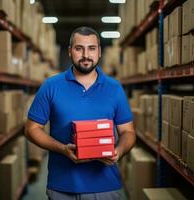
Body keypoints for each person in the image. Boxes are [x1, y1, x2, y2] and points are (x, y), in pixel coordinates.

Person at [25, 26, 136, 200]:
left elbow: (128, 132)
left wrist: (118, 152)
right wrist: (62, 149)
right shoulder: (51, 86)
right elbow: (31, 129)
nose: (86, 55)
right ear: (70, 52)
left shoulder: (114, 88)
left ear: (99, 52)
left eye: (91, 48)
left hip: (105, 186)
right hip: (62, 186)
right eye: (79, 48)